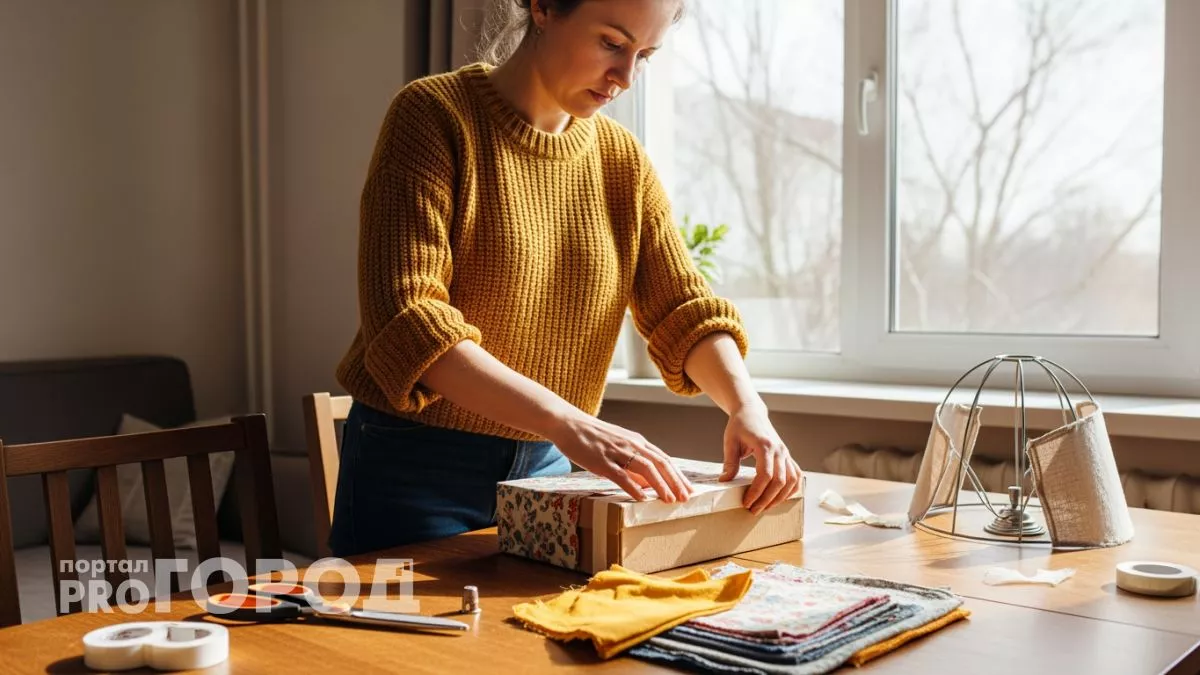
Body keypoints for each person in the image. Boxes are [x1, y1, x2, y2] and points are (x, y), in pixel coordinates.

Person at [328, 0, 802, 558]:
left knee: (535, 642)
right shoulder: (432, 115)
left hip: (549, 472)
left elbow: (683, 309)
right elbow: (409, 322)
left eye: (645, 55)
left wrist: (749, 408)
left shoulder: (621, 160)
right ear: (545, 8)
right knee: (400, 647)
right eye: (612, 44)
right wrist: (568, 422)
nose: (626, 78)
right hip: (415, 465)